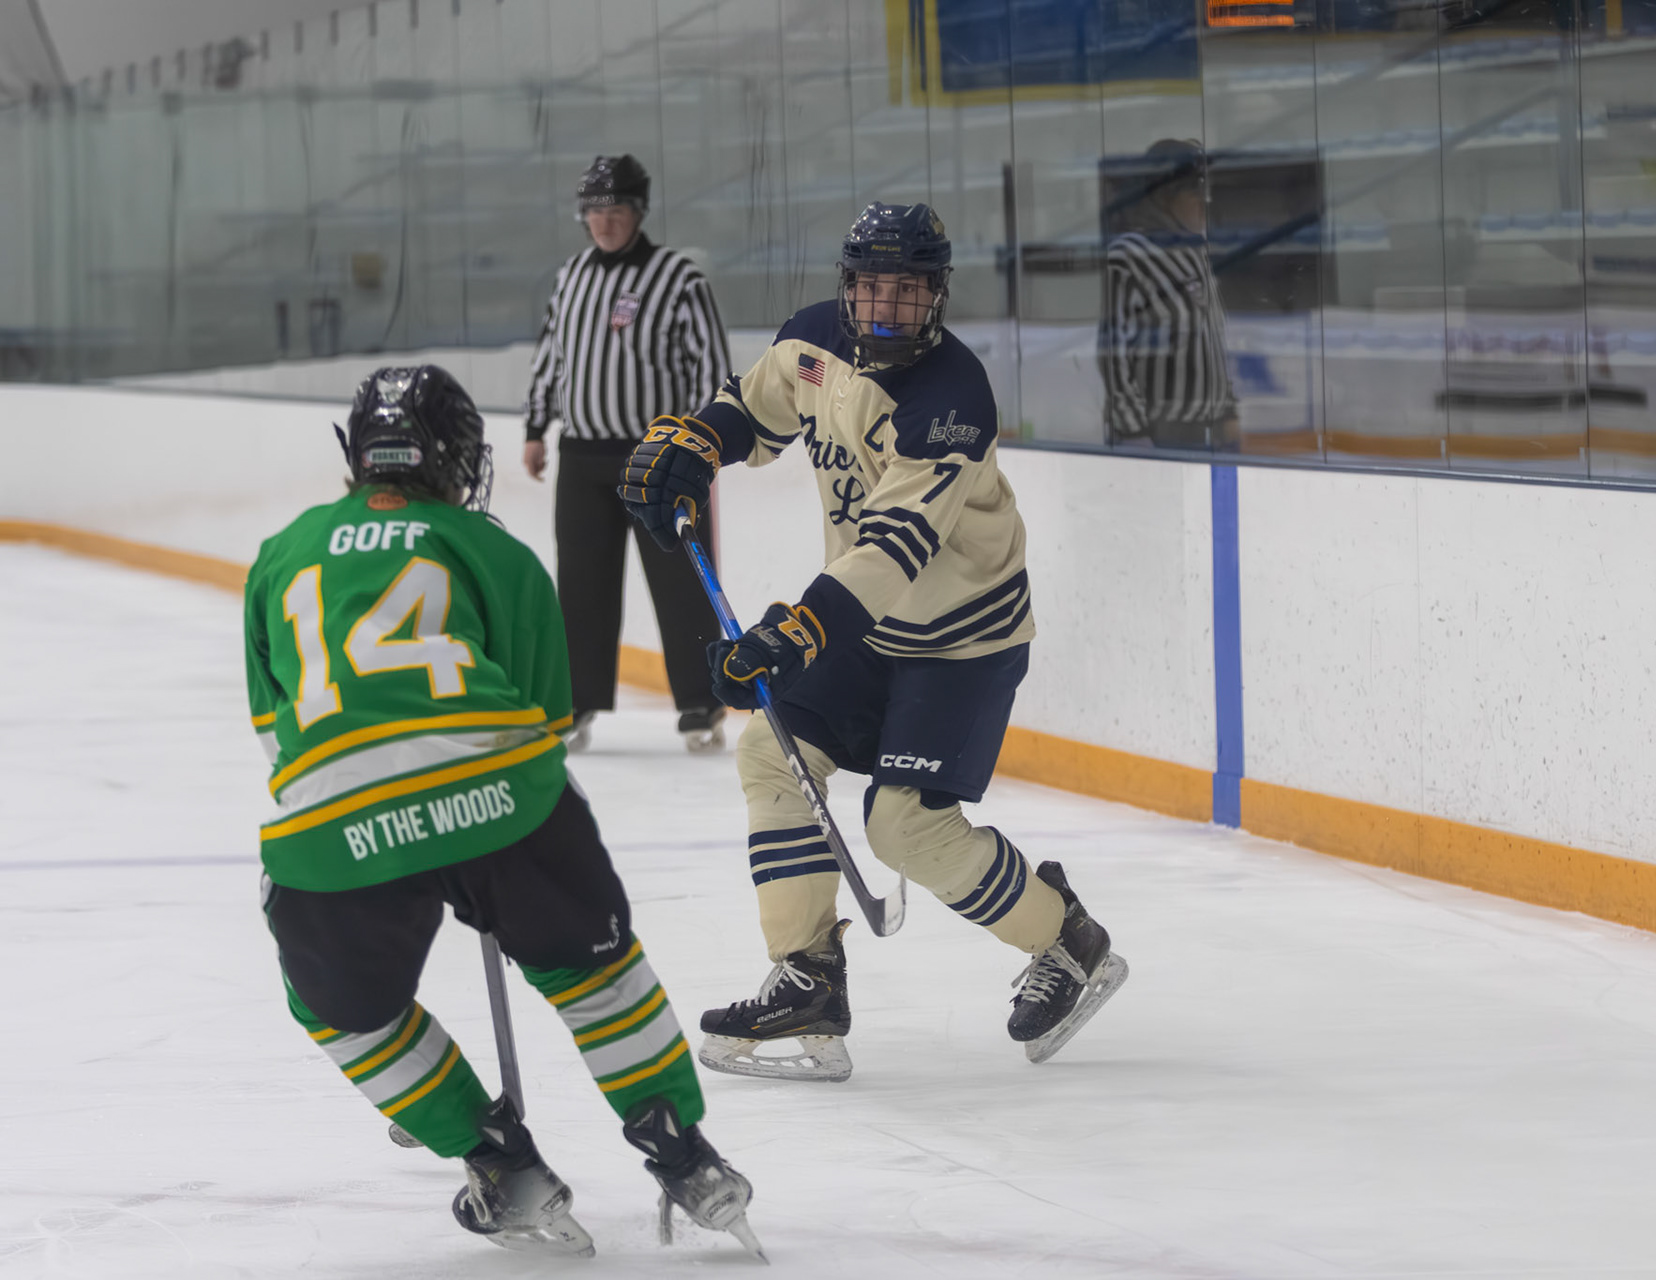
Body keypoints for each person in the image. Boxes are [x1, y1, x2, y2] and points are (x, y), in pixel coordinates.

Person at [243, 365, 760, 1258]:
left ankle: (499, 1163)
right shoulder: (491, 549)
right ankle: (685, 1155)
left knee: (338, 1008)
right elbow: (546, 717)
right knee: (594, 972)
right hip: (505, 797)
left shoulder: (281, 553)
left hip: (334, 820)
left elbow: (274, 731)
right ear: (454, 456)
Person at [616, 204, 1128, 1082]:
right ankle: (808, 974)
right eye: (872, 287)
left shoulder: (952, 398)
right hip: (864, 624)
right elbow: (753, 408)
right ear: (848, 286)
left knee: (905, 829)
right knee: (770, 756)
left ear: (937, 295)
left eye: (908, 290)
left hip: (961, 637)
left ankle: (1067, 939)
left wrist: (797, 633)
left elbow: (895, 547)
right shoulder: (812, 341)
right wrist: (698, 441)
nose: (887, 307)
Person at [524, 154, 732, 754]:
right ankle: (576, 701)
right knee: (580, 586)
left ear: (638, 211)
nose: (604, 222)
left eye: (615, 210)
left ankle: (702, 702)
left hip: (658, 460)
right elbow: (550, 355)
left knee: (681, 579)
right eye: (594, 211)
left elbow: (710, 366)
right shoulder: (570, 276)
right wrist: (535, 427)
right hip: (581, 456)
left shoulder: (678, 277)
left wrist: (698, 443)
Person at [1099, 138, 1237, 451]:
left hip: (1207, 428)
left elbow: (1213, 340)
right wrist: (1134, 433)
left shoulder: (1195, 252)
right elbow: (1113, 354)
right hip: (1160, 431)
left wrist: (1227, 409)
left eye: (1205, 190)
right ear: (1164, 196)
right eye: (1194, 191)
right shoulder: (1129, 255)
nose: (1204, 201)